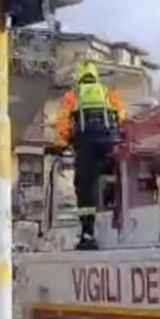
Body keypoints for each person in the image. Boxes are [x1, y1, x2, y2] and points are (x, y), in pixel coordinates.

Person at [51, 60, 128, 250]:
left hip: (86, 147)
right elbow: (123, 117)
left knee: (85, 189)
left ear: (79, 78)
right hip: (111, 145)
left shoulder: (72, 96)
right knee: (116, 179)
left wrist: (61, 144)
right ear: (95, 76)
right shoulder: (108, 93)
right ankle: (115, 210)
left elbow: (63, 124)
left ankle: (87, 233)